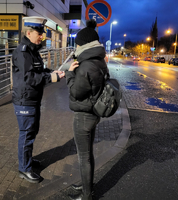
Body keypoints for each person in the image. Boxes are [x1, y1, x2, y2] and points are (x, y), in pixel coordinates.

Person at [12, 16, 65, 183]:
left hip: (32, 99)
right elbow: (29, 77)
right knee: (27, 134)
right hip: (25, 100)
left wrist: (53, 73)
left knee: (32, 132)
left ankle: (27, 160)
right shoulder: (22, 52)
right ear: (29, 33)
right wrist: (51, 78)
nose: (42, 36)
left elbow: (40, 70)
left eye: (42, 33)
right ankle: (24, 169)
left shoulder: (32, 51)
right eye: (39, 33)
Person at [65, 19, 109, 200]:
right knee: (88, 154)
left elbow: (76, 92)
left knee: (84, 157)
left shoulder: (86, 66)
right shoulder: (99, 61)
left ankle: (87, 194)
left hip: (83, 116)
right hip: (93, 113)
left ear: (83, 45)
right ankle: (86, 185)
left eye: (77, 44)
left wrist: (69, 73)